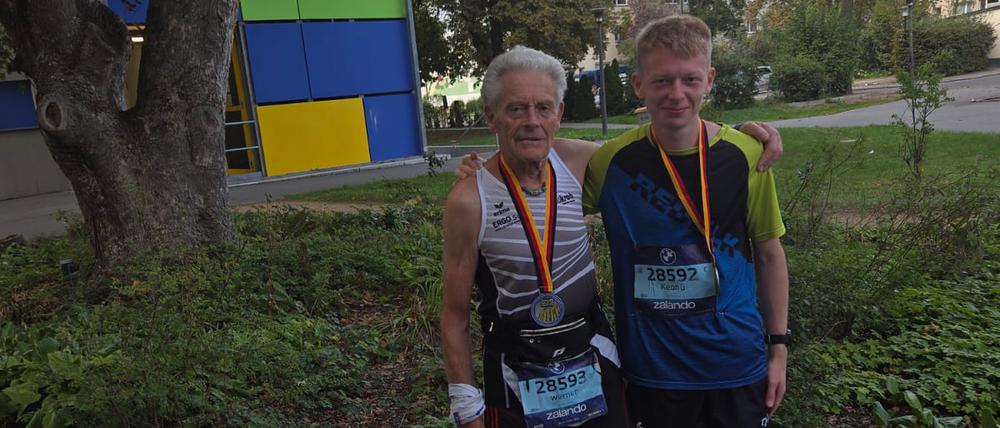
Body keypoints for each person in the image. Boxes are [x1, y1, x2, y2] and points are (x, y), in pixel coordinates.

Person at [582, 15, 789, 427]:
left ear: (709, 79)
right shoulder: (612, 163)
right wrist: (480, 170)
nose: (677, 94)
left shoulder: (747, 155)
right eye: (661, 81)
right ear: (638, 84)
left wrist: (779, 348)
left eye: (690, 80)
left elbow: (768, 253)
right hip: (654, 372)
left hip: (735, 365)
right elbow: (540, 161)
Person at [441, 46, 630, 428]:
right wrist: (466, 405)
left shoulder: (578, 161)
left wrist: (744, 134)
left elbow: (660, 149)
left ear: (559, 114)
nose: (532, 121)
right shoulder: (468, 199)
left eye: (543, 108)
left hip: (591, 357)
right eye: (516, 109)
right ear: (491, 117)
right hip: (514, 369)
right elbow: (454, 315)